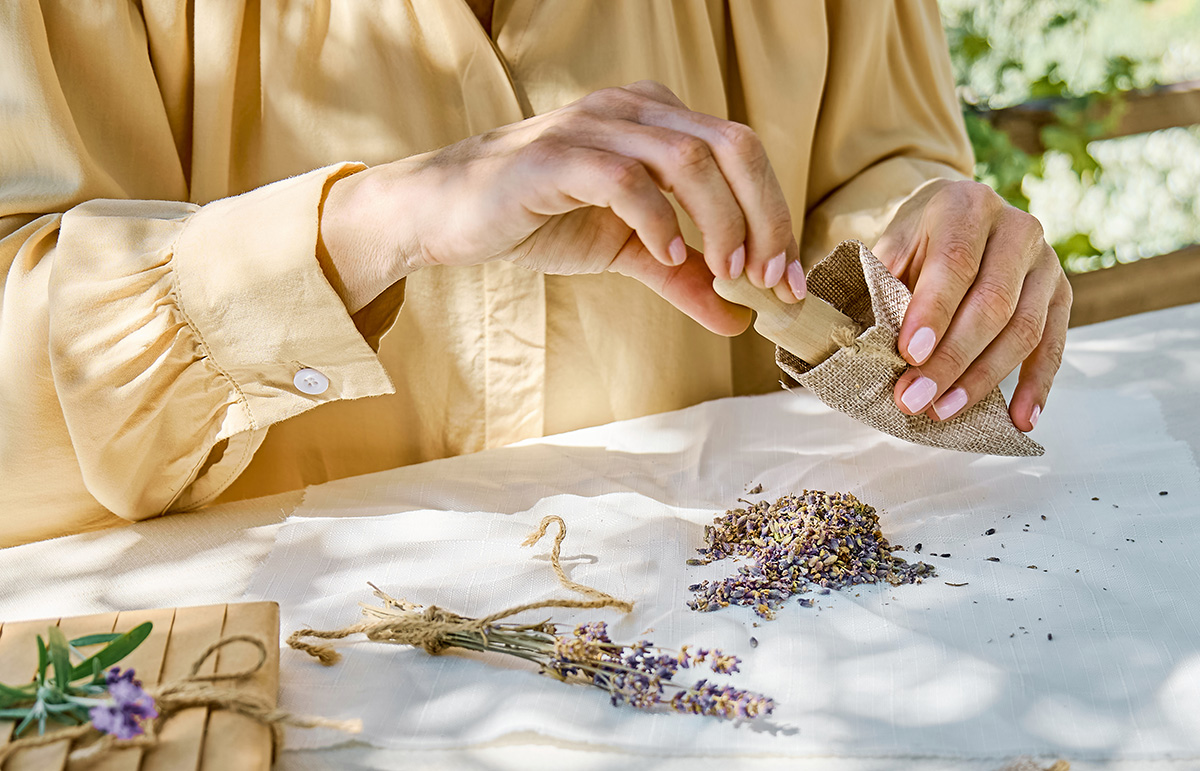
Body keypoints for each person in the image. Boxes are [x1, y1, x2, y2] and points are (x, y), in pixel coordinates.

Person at [0, 1, 1070, 547]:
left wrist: (930, 253)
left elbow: (881, 158)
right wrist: (369, 226)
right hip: (291, 677)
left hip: (742, 645)